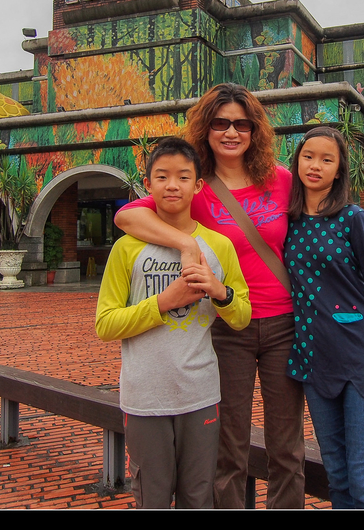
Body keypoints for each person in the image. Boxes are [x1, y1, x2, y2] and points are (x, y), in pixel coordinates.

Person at [115, 83, 306, 509]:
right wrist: (185, 244)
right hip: (225, 327)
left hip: (283, 323)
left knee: (287, 446)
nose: (231, 132)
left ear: (255, 130)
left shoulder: (280, 181)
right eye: (220, 123)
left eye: (242, 124)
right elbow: (126, 216)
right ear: (206, 128)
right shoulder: (195, 185)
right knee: (229, 446)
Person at [96, 137, 251, 509]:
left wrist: (220, 291)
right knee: (152, 496)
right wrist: (165, 302)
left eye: (183, 177)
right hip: (144, 396)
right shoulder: (126, 248)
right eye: (162, 176)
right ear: (147, 184)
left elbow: (242, 317)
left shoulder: (219, 246)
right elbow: (105, 324)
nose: (172, 185)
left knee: (199, 496)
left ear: (198, 185)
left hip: (200, 394)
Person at [284, 127, 364, 509]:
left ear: (339, 170)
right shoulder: (287, 221)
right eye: (308, 157)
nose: (315, 166)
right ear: (297, 162)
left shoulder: (352, 218)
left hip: (361, 360)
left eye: (327, 159)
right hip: (314, 360)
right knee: (336, 477)